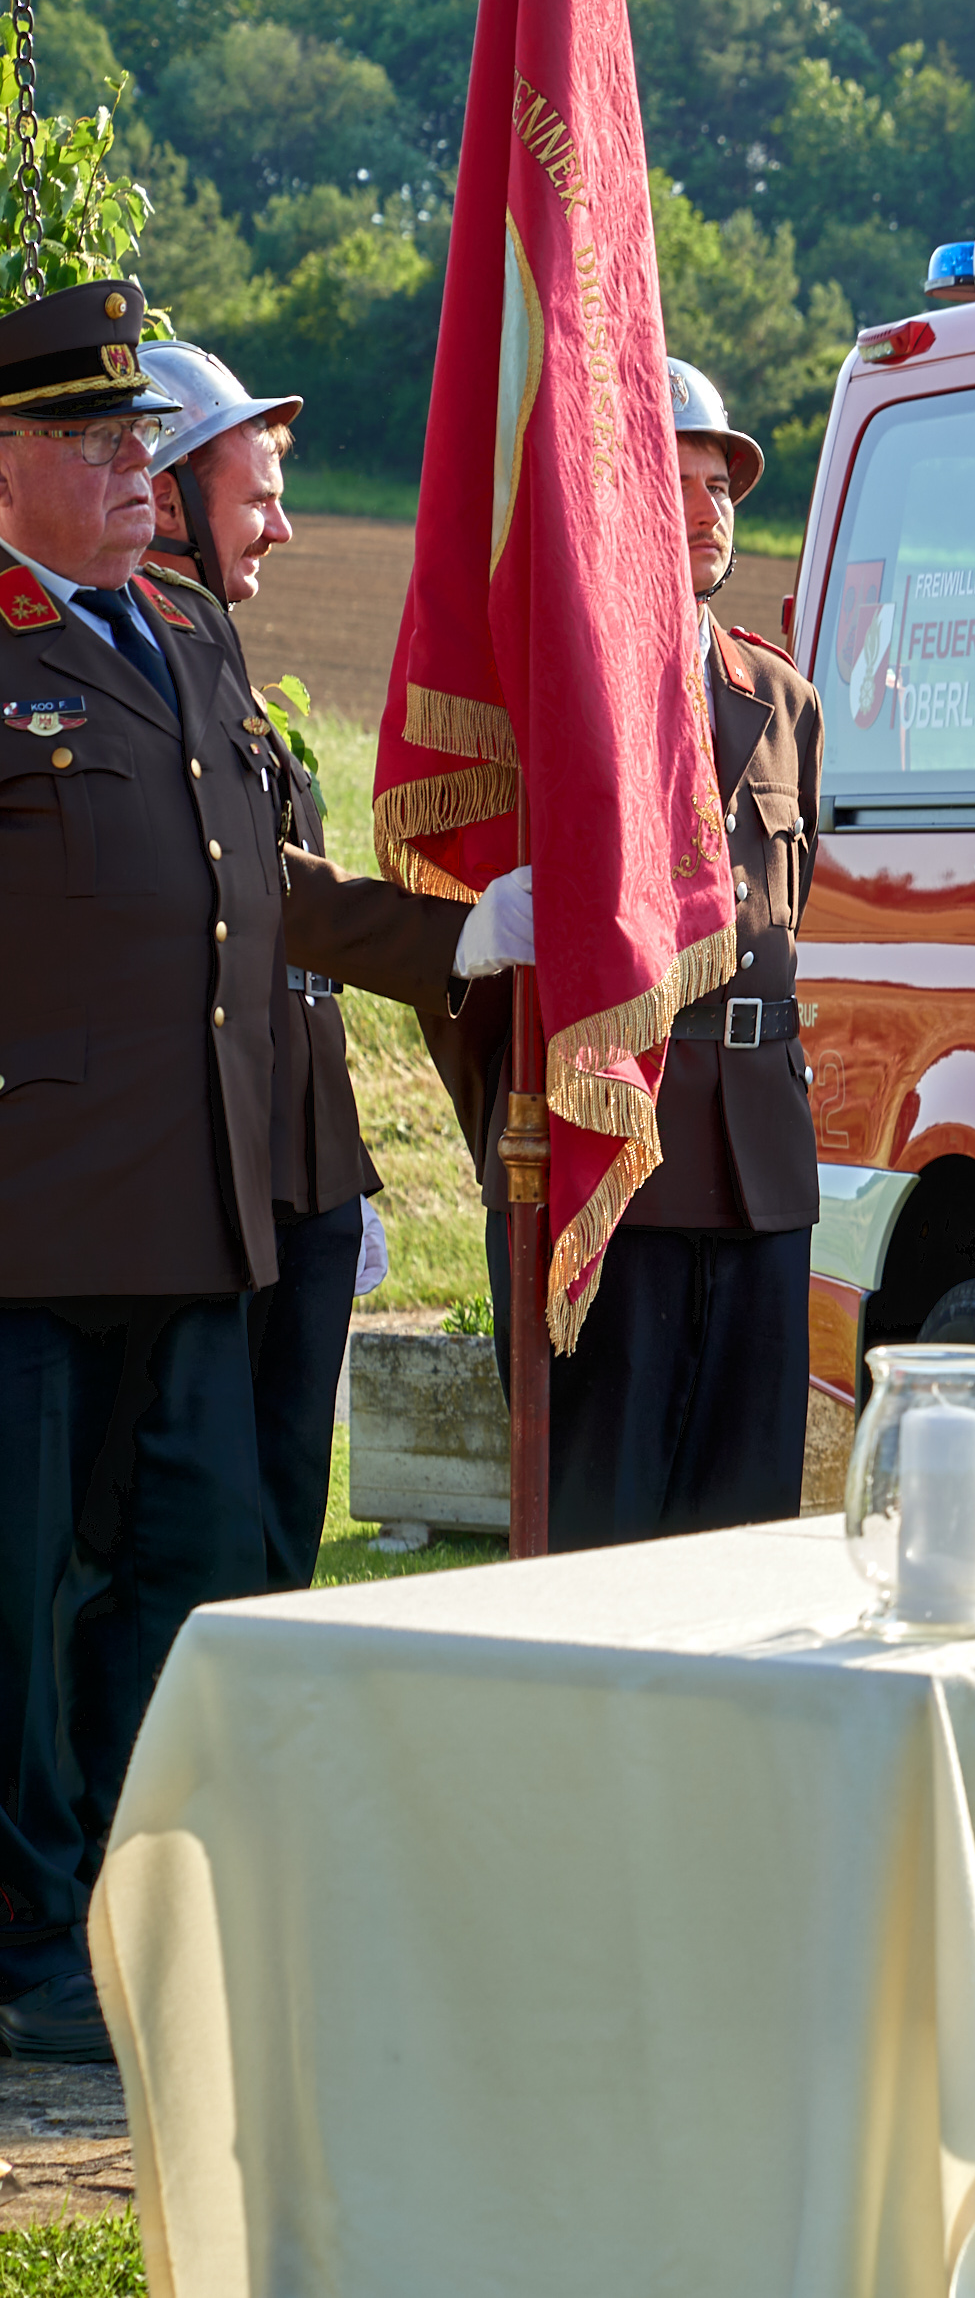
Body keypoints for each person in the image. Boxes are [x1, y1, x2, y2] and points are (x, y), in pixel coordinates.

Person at [0, 282, 279, 2063]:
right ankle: (28, 1943)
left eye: (138, 441)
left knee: (191, 1572)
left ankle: (135, 1906)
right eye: (95, 442)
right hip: (28, 1221)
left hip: (193, 1205)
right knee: (17, 1597)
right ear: (6, 461)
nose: (133, 469)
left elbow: (255, 886)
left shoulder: (181, 629)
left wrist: (462, 941)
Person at [440, 357, 818, 1546]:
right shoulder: (553, 694)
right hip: (614, 1156)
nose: (709, 511)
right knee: (599, 1527)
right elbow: (474, 945)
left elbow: (780, 921)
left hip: (759, 1163)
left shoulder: (781, 698)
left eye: (723, 487)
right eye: (679, 482)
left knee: (746, 1526)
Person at [137, 342, 488, 1588]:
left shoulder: (209, 648)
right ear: (166, 492)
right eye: (259, 497)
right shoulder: (141, 649)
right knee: (205, 1534)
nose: (283, 527)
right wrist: (457, 940)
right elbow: (249, 883)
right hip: (217, 1163)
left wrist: (332, 1173)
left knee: (280, 1520)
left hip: (297, 1159)